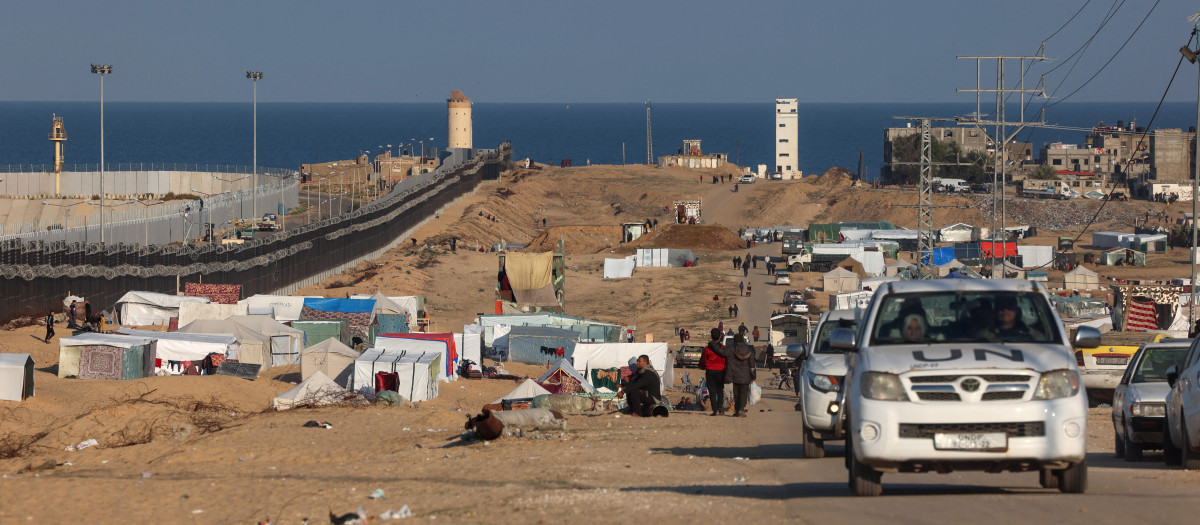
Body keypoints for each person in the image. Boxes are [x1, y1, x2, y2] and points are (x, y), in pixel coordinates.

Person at [725, 334, 757, 417]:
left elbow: (727, 362)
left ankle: (737, 410)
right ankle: (741, 409)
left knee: (736, 394)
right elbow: (752, 364)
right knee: (743, 393)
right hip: (746, 376)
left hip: (735, 376)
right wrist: (753, 376)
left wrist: (728, 376)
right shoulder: (748, 349)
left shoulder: (731, 348)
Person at [702, 328, 731, 416]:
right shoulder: (724, 348)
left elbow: (704, 360)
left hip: (710, 371)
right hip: (721, 371)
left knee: (712, 392)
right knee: (720, 390)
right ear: (720, 336)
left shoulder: (707, 349)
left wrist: (705, 366)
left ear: (711, 336)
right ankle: (720, 408)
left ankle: (714, 410)